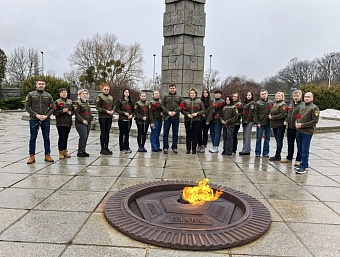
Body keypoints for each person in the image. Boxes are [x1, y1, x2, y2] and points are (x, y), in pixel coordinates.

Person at [25, 79, 55, 164]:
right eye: (39, 84)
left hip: (45, 119)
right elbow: (27, 107)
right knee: (33, 138)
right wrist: (36, 115)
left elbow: (52, 107)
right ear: (36, 85)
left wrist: (46, 116)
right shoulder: (31, 94)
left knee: (46, 137)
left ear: (45, 85)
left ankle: (47, 155)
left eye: (42, 84)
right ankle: (32, 156)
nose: (41, 85)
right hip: (34, 119)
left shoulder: (48, 95)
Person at [295, 92, 319, 174]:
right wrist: (296, 123)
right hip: (300, 130)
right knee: (300, 148)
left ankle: (304, 166)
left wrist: (303, 125)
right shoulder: (302, 106)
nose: (306, 98)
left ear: (312, 98)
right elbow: (297, 116)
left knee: (305, 149)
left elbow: (314, 121)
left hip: (307, 132)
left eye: (308, 97)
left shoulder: (314, 108)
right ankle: (304, 164)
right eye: (305, 97)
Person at [281, 90, 305, 165]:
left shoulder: (302, 105)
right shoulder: (290, 105)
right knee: (290, 143)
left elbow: (300, 116)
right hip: (290, 128)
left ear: (301, 96)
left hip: (298, 128)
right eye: (294, 96)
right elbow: (288, 114)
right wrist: (286, 120)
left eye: (297, 96)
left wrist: (296, 122)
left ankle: (298, 159)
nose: (296, 97)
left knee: (299, 145)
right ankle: (289, 158)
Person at [181, 88, 205, 154]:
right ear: (189, 94)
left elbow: (203, 110)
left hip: (196, 120)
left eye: (193, 93)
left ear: (196, 94)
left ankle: (194, 149)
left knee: (195, 134)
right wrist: (187, 114)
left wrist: (196, 114)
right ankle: (188, 149)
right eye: (191, 93)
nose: (192, 94)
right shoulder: (185, 101)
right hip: (188, 120)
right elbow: (182, 110)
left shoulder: (199, 101)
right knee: (188, 134)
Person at [161, 84, 183, 154]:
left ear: (175, 89)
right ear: (169, 89)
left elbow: (182, 105)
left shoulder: (179, 96)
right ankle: (165, 147)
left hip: (175, 117)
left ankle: (174, 147)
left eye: (173, 88)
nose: (172, 89)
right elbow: (162, 105)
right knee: (165, 133)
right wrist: (168, 112)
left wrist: (175, 112)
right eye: (171, 88)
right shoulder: (165, 96)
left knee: (175, 133)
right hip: (167, 117)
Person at [54, 88, 74, 159]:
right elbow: (54, 113)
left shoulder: (70, 101)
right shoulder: (57, 102)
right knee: (61, 137)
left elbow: (73, 111)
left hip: (68, 122)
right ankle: (61, 152)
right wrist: (62, 111)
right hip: (60, 123)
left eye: (65, 92)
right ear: (60, 94)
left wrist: (70, 113)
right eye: (62, 92)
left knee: (66, 137)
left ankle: (65, 150)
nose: (64, 93)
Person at [96, 83, 114, 155]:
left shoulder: (110, 97)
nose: (106, 90)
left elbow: (113, 106)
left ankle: (106, 147)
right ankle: (102, 148)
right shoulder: (99, 97)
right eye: (105, 89)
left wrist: (112, 111)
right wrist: (106, 111)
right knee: (103, 132)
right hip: (103, 116)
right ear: (102, 89)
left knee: (107, 132)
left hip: (109, 117)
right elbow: (98, 107)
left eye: (107, 89)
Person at [268, 92, 288, 161]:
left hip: (280, 125)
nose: (277, 97)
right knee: (277, 140)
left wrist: (273, 117)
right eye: (276, 96)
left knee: (279, 140)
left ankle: (277, 155)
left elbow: (283, 114)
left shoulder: (283, 105)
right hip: (274, 125)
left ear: (282, 97)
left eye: (279, 96)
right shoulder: (275, 104)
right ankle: (277, 155)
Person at [254, 89, 274, 157]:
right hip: (260, 123)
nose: (264, 95)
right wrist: (257, 122)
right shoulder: (258, 103)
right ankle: (257, 152)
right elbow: (255, 113)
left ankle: (266, 152)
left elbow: (273, 111)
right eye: (262, 94)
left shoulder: (271, 102)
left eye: (265, 94)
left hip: (268, 123)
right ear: (260, 95)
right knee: (259, 138)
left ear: (267, 94)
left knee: (267, 139)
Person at [74, 89, 92, 157]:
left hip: (88, 122)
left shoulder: (87, 102)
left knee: (86, 137)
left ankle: (83, 150)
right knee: (83, 137)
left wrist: (91, 118)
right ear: (80, 95)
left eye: (86, 94)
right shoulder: (78, 103)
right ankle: (80, 151)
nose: (85, 95)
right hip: (80, 123)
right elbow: (76, 113)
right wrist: (82, 120)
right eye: (83, 93)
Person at [115, 88, 134, 154]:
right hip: (122, 119)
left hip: (129, 120)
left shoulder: (131, 101)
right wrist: (124, 113)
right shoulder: (120, 101)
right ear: (123, 93)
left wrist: (132, 115)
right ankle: (122, 147)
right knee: (122, 133)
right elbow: (117, 110)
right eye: (125, 92)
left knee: (127, 134)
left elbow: (133, 110)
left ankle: (127, 146)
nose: (127, 93)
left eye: (128, 92)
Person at [198, 89, 212, 153]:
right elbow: (198, 109)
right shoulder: (200, 101)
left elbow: (211, 111)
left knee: (205, 133)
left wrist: (208, 120)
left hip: (207, 119)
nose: (205, 94)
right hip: (200, 119)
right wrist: (201, 114)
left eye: (206, 93)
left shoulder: (211, 101)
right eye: (204, 93)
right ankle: (199, 144)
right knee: (199, 132)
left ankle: (204, 145)